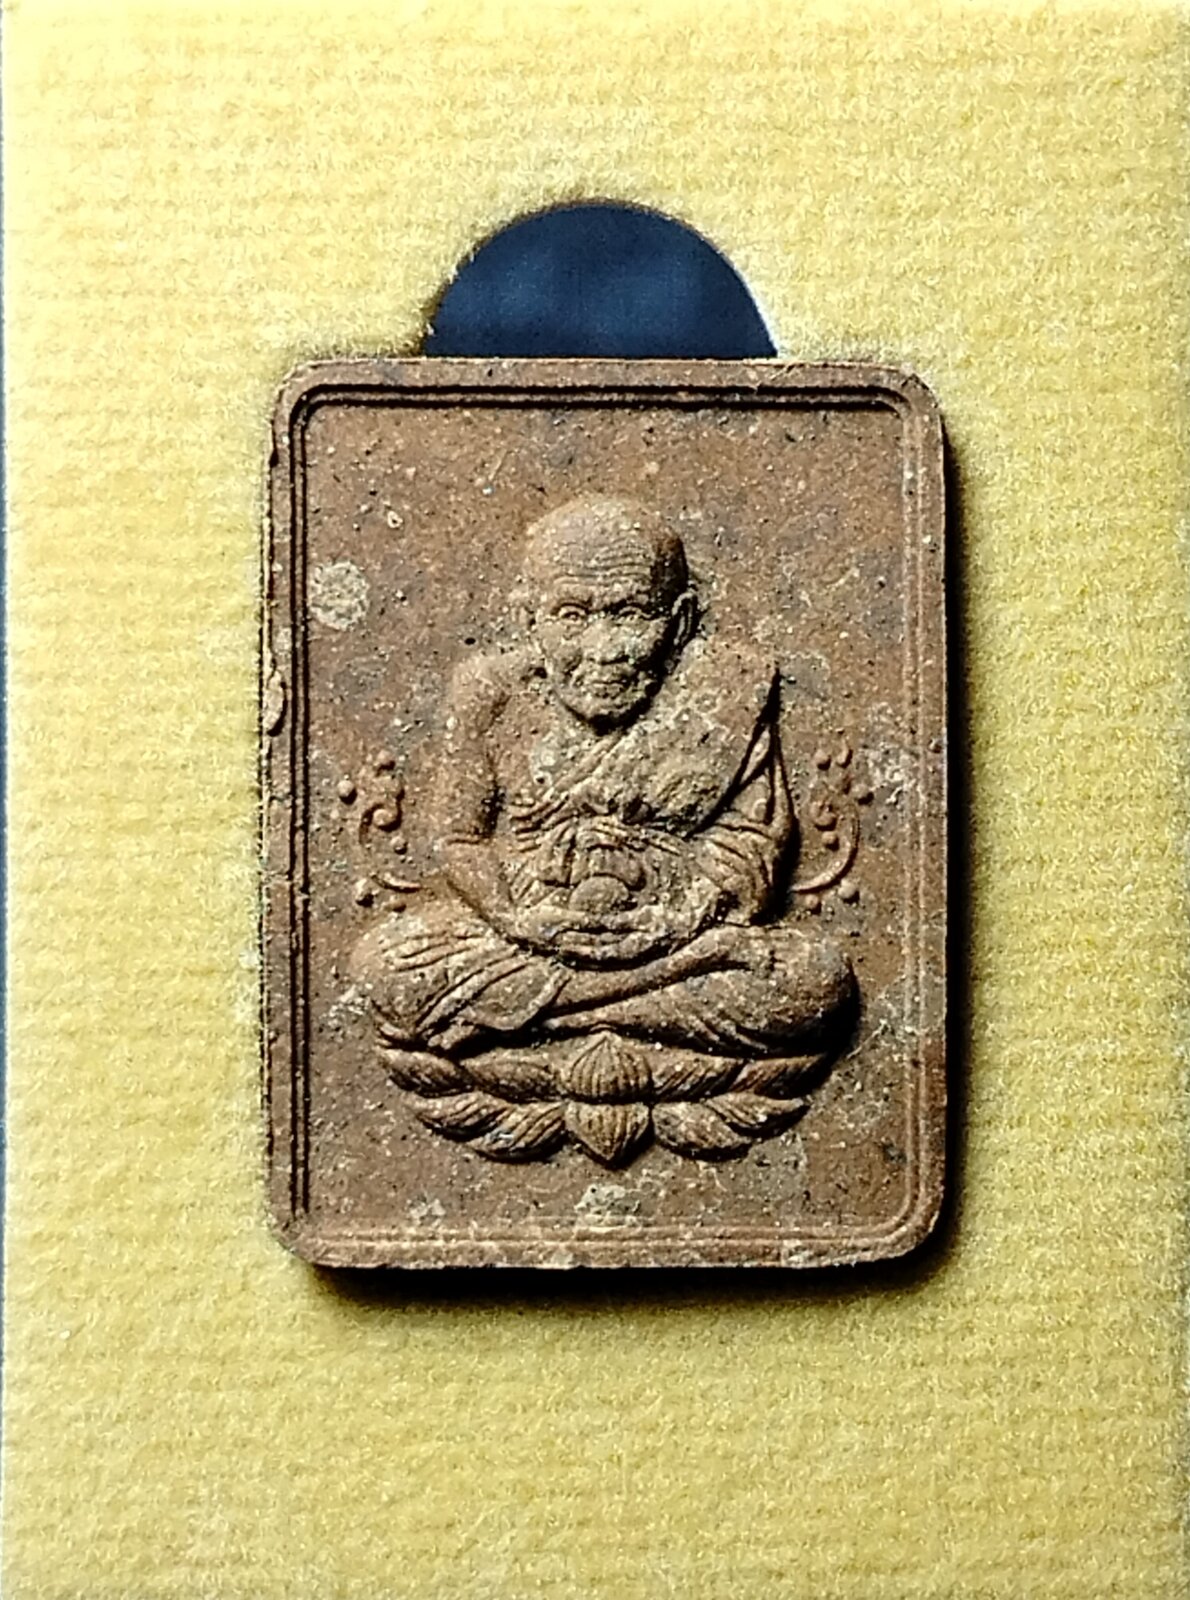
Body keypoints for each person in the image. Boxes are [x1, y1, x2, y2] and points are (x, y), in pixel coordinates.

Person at [352, 494, 854, 1061]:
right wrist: (517, 920)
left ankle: (539, 1020)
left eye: (630, 615)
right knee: (383, 969)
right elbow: (460, 838)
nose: (603, 650)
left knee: (816, 983)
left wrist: (680, 920)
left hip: (675, 931)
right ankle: (624, 1011)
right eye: (571, 616)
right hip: (535, 930)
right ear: (528, 620)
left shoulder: (729, 692)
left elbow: (752, 843)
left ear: (680, 623)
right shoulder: (491, 695)